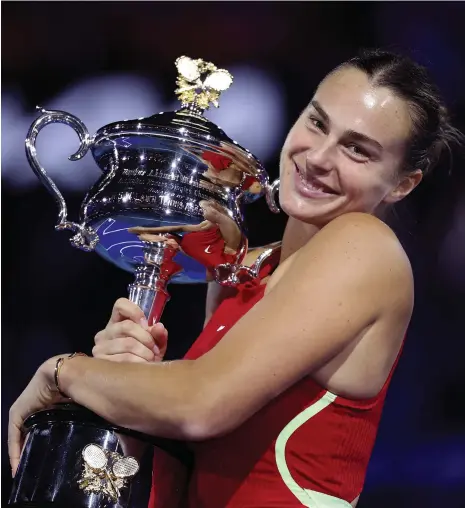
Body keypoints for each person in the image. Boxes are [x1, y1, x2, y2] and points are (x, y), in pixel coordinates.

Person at [9, 49, 465, 507]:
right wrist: (129, 384)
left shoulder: (365, 245)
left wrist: (62, 372)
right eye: (317, 123)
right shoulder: (247, 269)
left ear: (403, 184)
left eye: (357, 150)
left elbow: (201, 405)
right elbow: (197, 443)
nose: (319, 157)